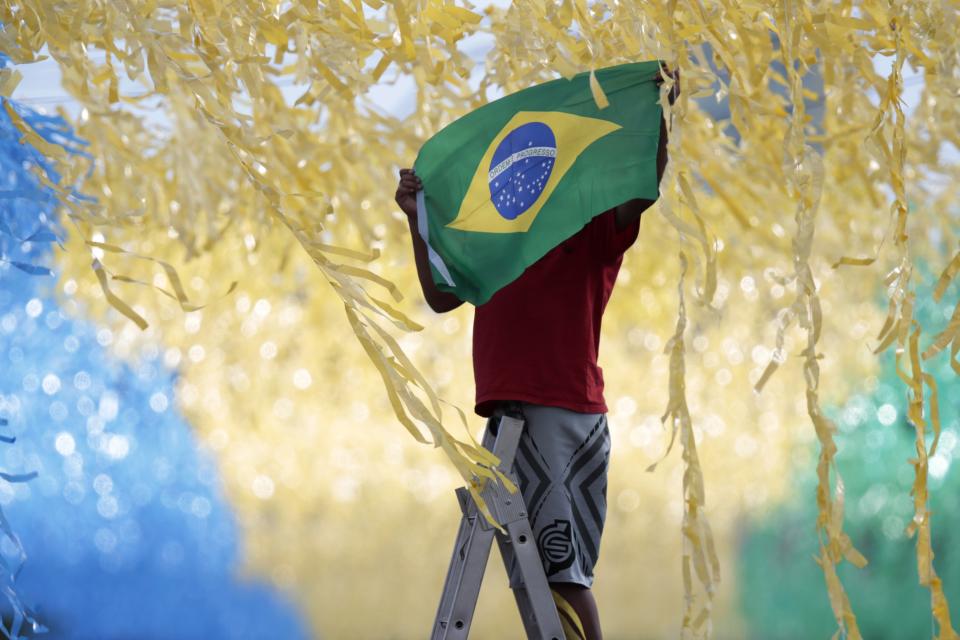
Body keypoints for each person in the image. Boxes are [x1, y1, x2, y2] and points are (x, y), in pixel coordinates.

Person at [395, 68, 678, 640]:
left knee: (563, 575)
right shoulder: (497, 237)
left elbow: (640, 184)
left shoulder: (589, 227)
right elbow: (441, 295)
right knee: (548, 576)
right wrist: (417, 223)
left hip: (557, 409)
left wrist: (657, 117)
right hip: (525, 412)